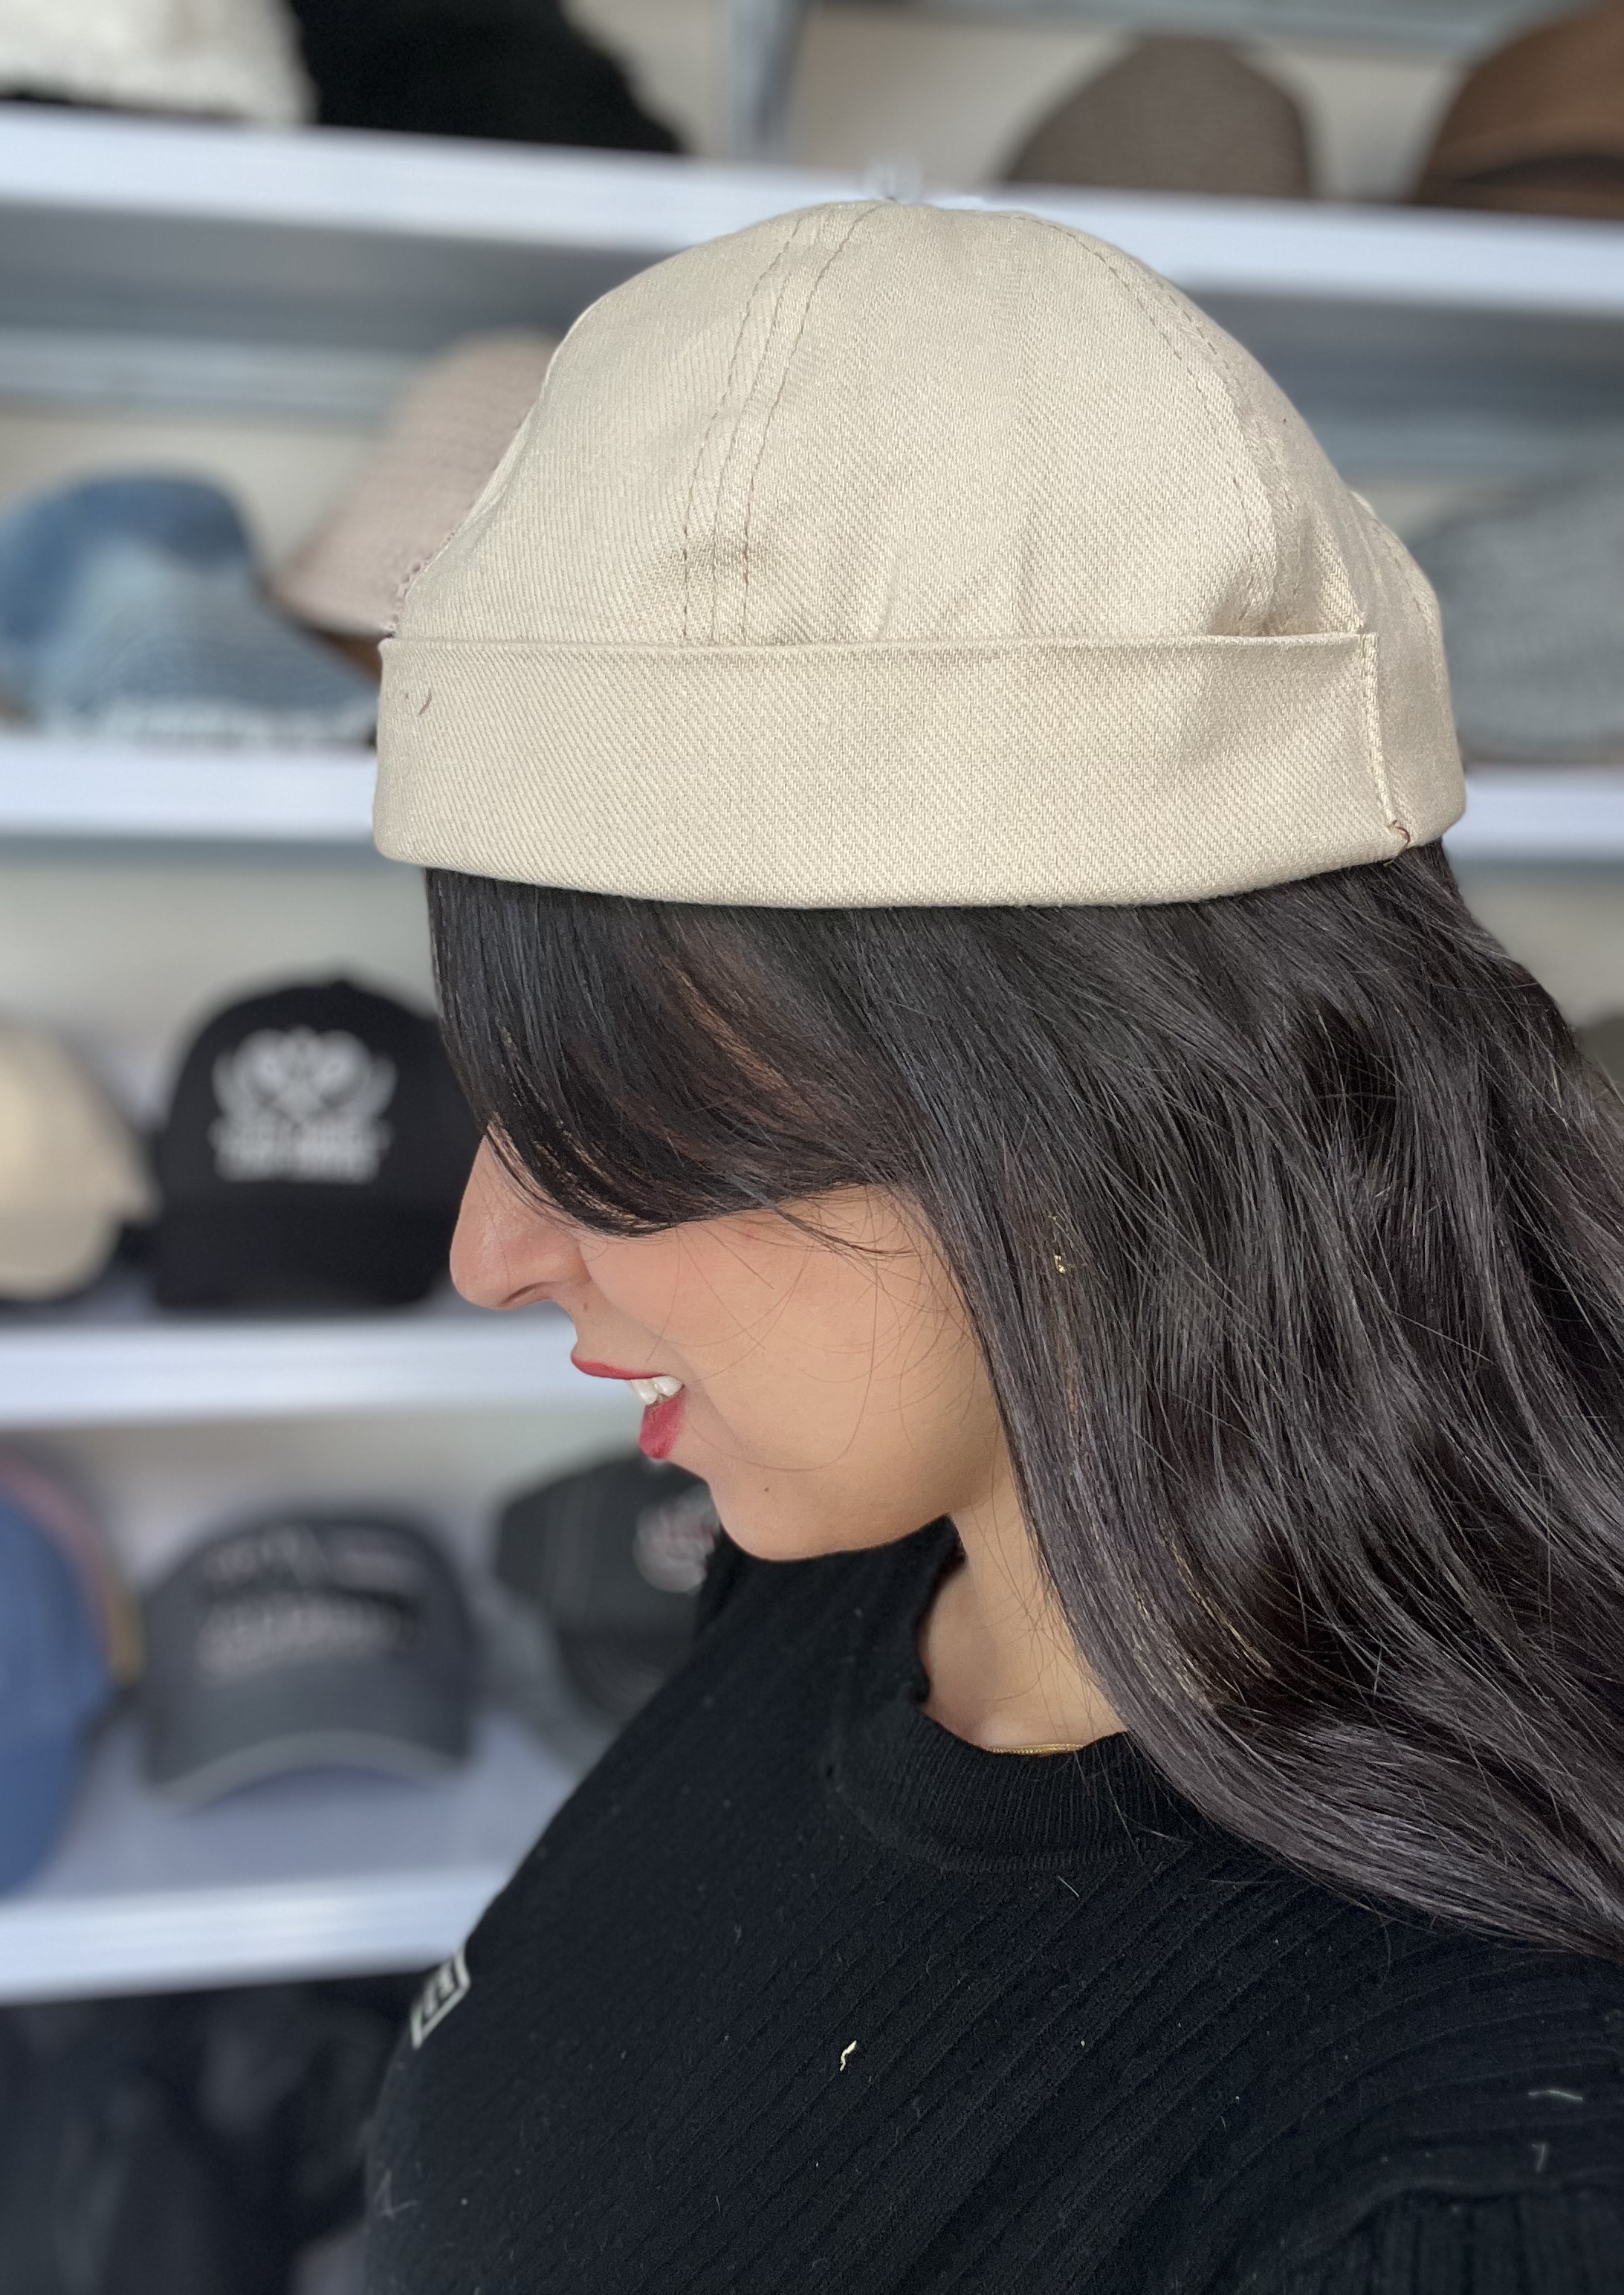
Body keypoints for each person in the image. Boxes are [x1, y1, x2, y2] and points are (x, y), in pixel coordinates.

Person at [362, 202, 1624, 2291]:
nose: (494, 1248)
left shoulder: (1469, 2188)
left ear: (1084, 1102)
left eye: (617, 1119)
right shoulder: (845, 1577)